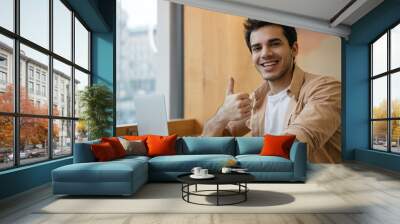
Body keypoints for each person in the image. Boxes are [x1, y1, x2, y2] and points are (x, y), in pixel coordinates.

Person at [202, 19, 341, 163]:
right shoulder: (256, 100)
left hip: (315, 184)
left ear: (294, 49)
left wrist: (240, 156)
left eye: (274, 44)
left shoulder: (326, 89)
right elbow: (206, 147)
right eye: (257, 48)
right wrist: (221, 116)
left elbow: (295, 144)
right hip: (267, 182)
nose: (265, 54)